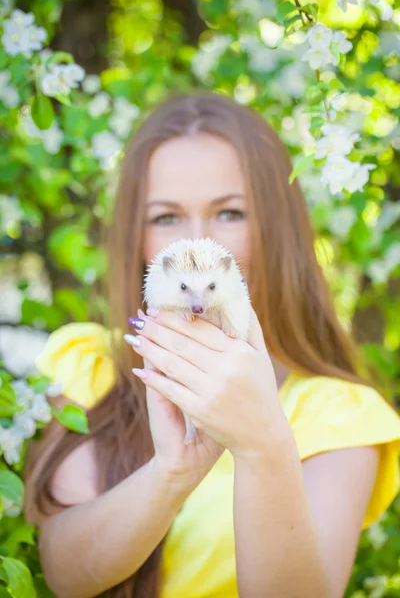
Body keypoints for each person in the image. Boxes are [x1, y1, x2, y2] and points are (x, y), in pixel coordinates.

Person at [24, 90, 400, 598]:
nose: (195, 247)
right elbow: (65, 575)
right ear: (137, 237)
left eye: (229, 214)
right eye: (166, 218)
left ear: (276, 227)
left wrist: (262, 444)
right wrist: (171, 473)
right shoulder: (91, 364)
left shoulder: (338, 416)